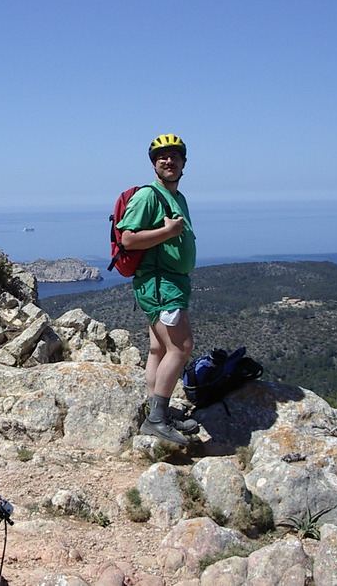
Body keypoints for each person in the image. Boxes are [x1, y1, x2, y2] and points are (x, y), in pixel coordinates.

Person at [117, 134, 200, 445]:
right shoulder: (148, 197)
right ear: (154, 164)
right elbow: (127, 238)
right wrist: (167, 231)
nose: (169, 161)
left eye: (175, 156)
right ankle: (156, 420)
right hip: (160, 284)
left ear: (183, 163)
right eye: (162, 157)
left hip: (171, 283)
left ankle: (159, 409)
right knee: (181, 347)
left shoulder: (177, 196)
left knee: (159, 349)